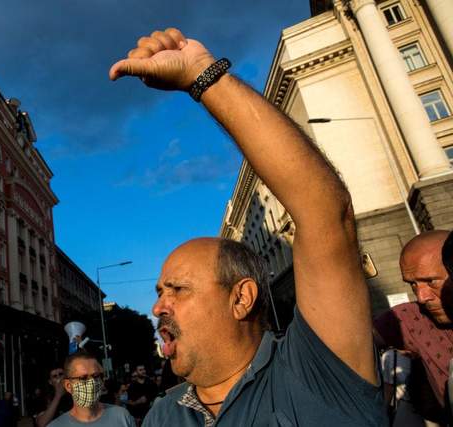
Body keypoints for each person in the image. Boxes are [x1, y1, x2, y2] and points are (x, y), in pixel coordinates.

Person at [109, 28, 385, 426]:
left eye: (177, 290)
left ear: (241, 298)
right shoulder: (162, 415)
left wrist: (201, 75)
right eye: (159, 292)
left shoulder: (315, 374)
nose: (157, 307)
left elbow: (324, 211)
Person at [375, 230, 452, 420]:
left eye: (431, 281)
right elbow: (354, 341)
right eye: (413, 284)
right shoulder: (414, 318)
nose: (421, 297)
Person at [48, 352, 135, 426]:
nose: (92, 382)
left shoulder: (123, 416)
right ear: (68, 386)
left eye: (95, 376)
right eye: (83, 378)